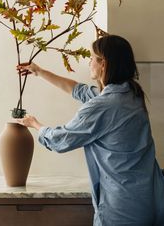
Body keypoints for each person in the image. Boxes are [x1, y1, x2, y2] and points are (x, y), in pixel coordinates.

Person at [16, 35, 164, 226]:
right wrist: (40, 71)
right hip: (149, 197)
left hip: (123, 208)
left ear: (104, 64)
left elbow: (61, 140)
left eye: (92, 57)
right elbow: (79, 90)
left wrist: (35, 124)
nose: (89, 62)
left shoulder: (105, 105)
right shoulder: (130, 93)